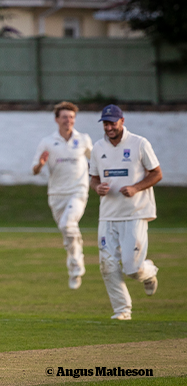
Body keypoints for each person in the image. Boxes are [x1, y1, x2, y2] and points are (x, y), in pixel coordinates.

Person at [89, 104, 162, 321]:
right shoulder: (98, 147)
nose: (109, 127)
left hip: (135, 212)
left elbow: (156, 173)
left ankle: (149, 271)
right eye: (106, 123)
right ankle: (122, 311)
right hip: (108, 214)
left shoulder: (139, 143)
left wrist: (135, 188)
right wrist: (97, 187)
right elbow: (94, 177)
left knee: (132, 269)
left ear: (122, 121)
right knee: (107, 264)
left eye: (112, 122)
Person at [31, 101, 93, 290]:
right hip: (57, 194)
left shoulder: (83, 139)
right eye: (65, 117)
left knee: (68, 224)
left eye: (72, 117)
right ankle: (74, 260)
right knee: (67, 231)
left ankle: (76, 267)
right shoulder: (47, 142)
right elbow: (34, 170)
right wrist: (41, 164)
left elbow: (97, 161)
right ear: (57, 119)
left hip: (78, 191)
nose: (69, 120)